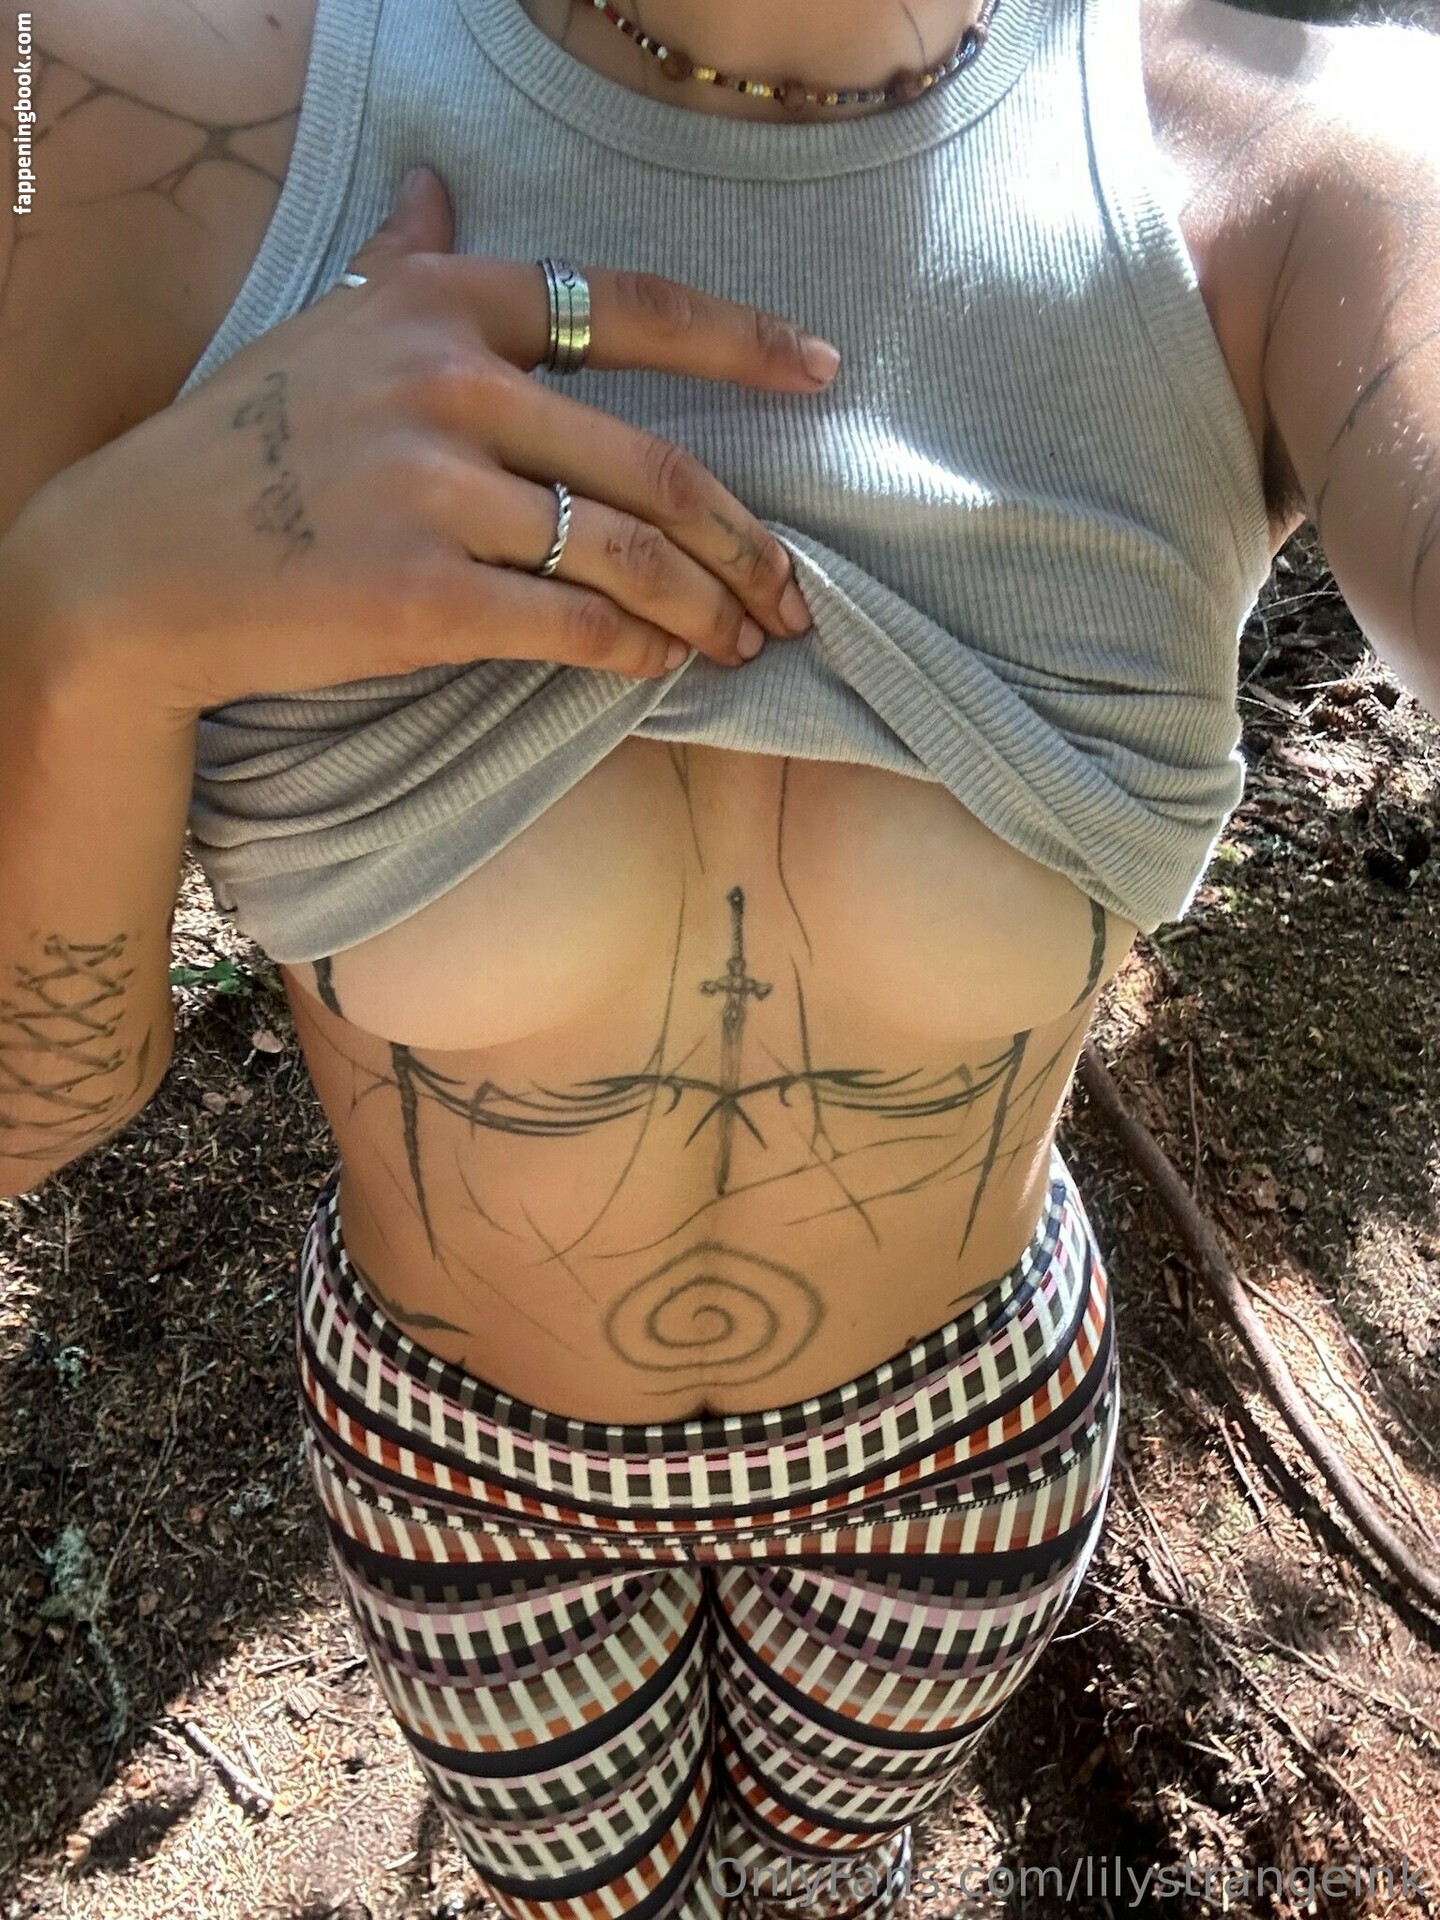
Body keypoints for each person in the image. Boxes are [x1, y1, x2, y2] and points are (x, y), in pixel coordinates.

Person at [1, 0, 1436, 1910]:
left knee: (833, 1882)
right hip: (466, 1480)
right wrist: (80, 623)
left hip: (959, 1453)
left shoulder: (1304, 171)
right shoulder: (107, 109)